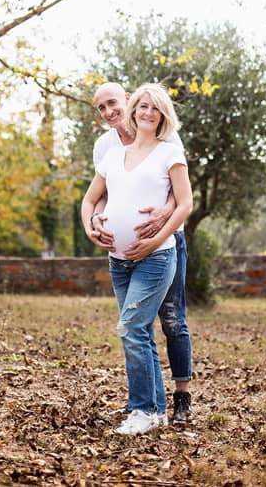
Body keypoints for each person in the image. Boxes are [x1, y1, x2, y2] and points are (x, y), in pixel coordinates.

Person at [82, 83, 193, 436]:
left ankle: (153, 405)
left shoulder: (169, 150)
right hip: (119, 260)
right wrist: (92, 226)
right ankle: (153, 410)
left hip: (159, 253)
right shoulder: (109, 152)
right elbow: (93, 199)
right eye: (101, 107)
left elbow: (184, 202)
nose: (146, 113)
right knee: (139, 329)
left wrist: (157, 235)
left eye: (153, 108)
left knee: (149, 325)